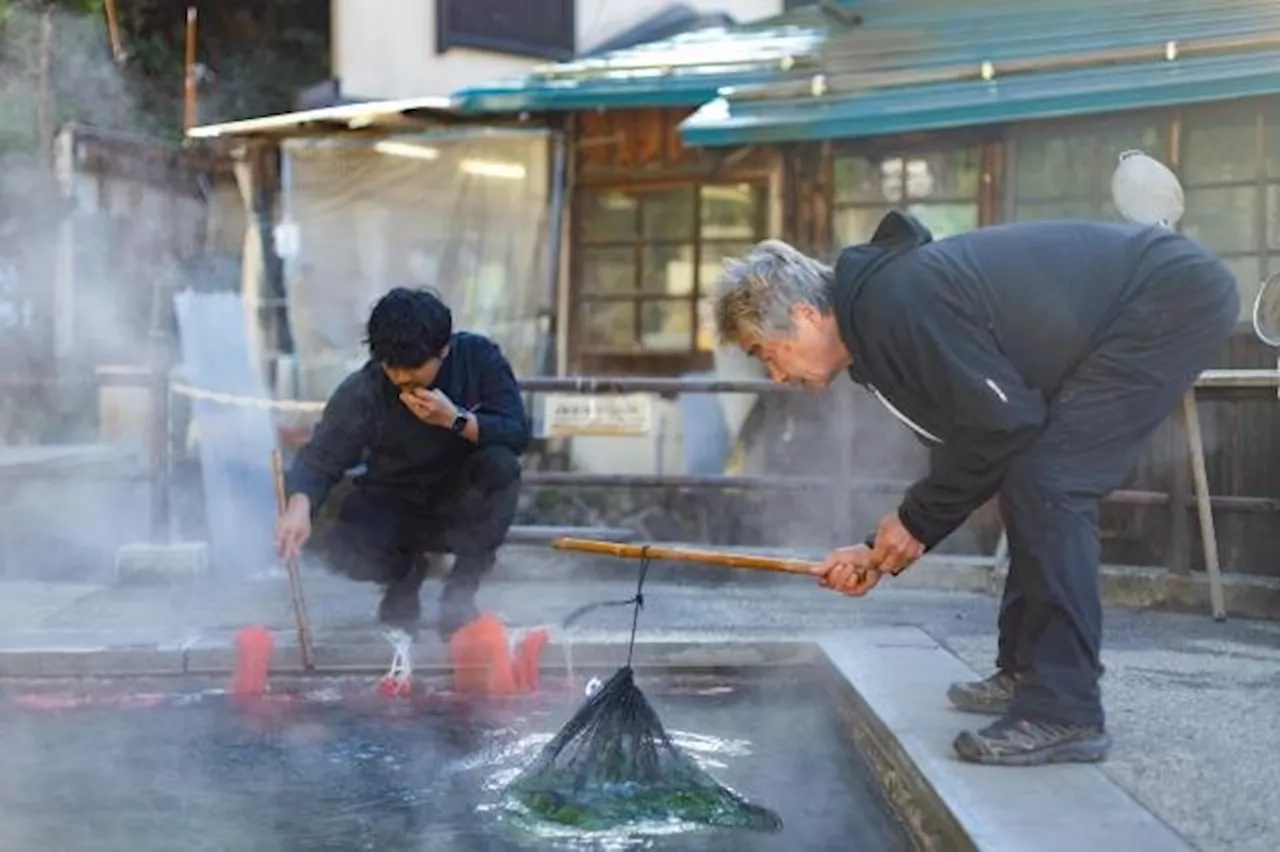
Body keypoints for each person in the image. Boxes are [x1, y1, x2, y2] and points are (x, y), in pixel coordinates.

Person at [712, 213, 1237, 766]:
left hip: (1166, 295)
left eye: (767, 353)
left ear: (804, 314)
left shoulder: (897, 304)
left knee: (1049, 481)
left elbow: (1001, 425)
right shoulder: (877, 329)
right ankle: (1024, 670)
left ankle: (1064, 710)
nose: (775, 376)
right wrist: (881, 545)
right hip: (1138, 303)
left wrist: (915, 521)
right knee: (1027, 473)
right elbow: (972, 440)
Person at [275, 287, 531, 641]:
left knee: (501, 465)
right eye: (393, 368)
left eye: (414, 369)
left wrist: (455, 419)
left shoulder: (478, 357)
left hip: (460, 501)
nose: (401, 378)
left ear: (443, 349)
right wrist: (298, 506)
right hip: (396, 502)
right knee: (340, 545)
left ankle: (460, 591)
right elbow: (321, 456)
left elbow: (517, 433)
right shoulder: (366, 388)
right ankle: (404, 576)